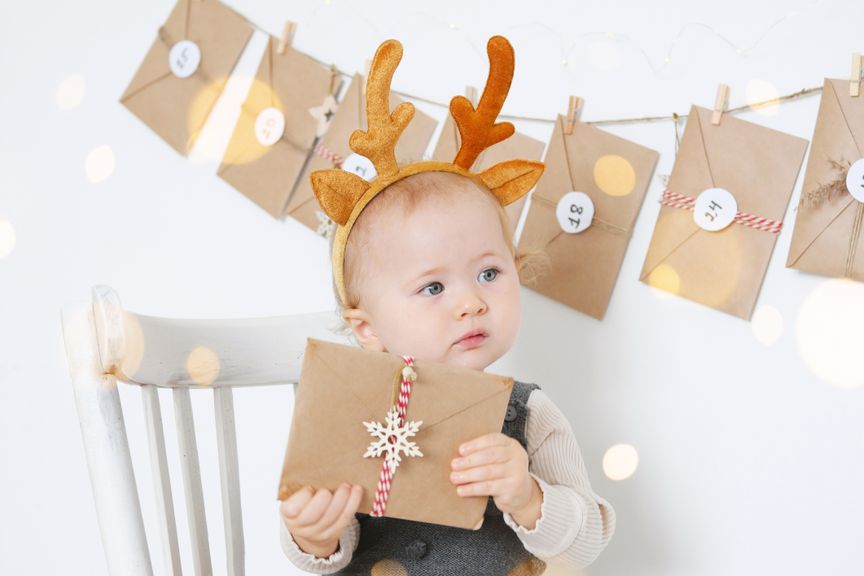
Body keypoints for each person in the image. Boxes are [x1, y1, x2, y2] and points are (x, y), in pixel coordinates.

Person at [279, 36, 615, 575]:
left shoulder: (529, 414)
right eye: (433, 288)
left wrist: (529, 496)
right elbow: (324, 551)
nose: (471, 303)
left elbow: (591, 540)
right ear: (366, 329)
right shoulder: (350, 409)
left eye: (489, 273)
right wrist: (313, 534)